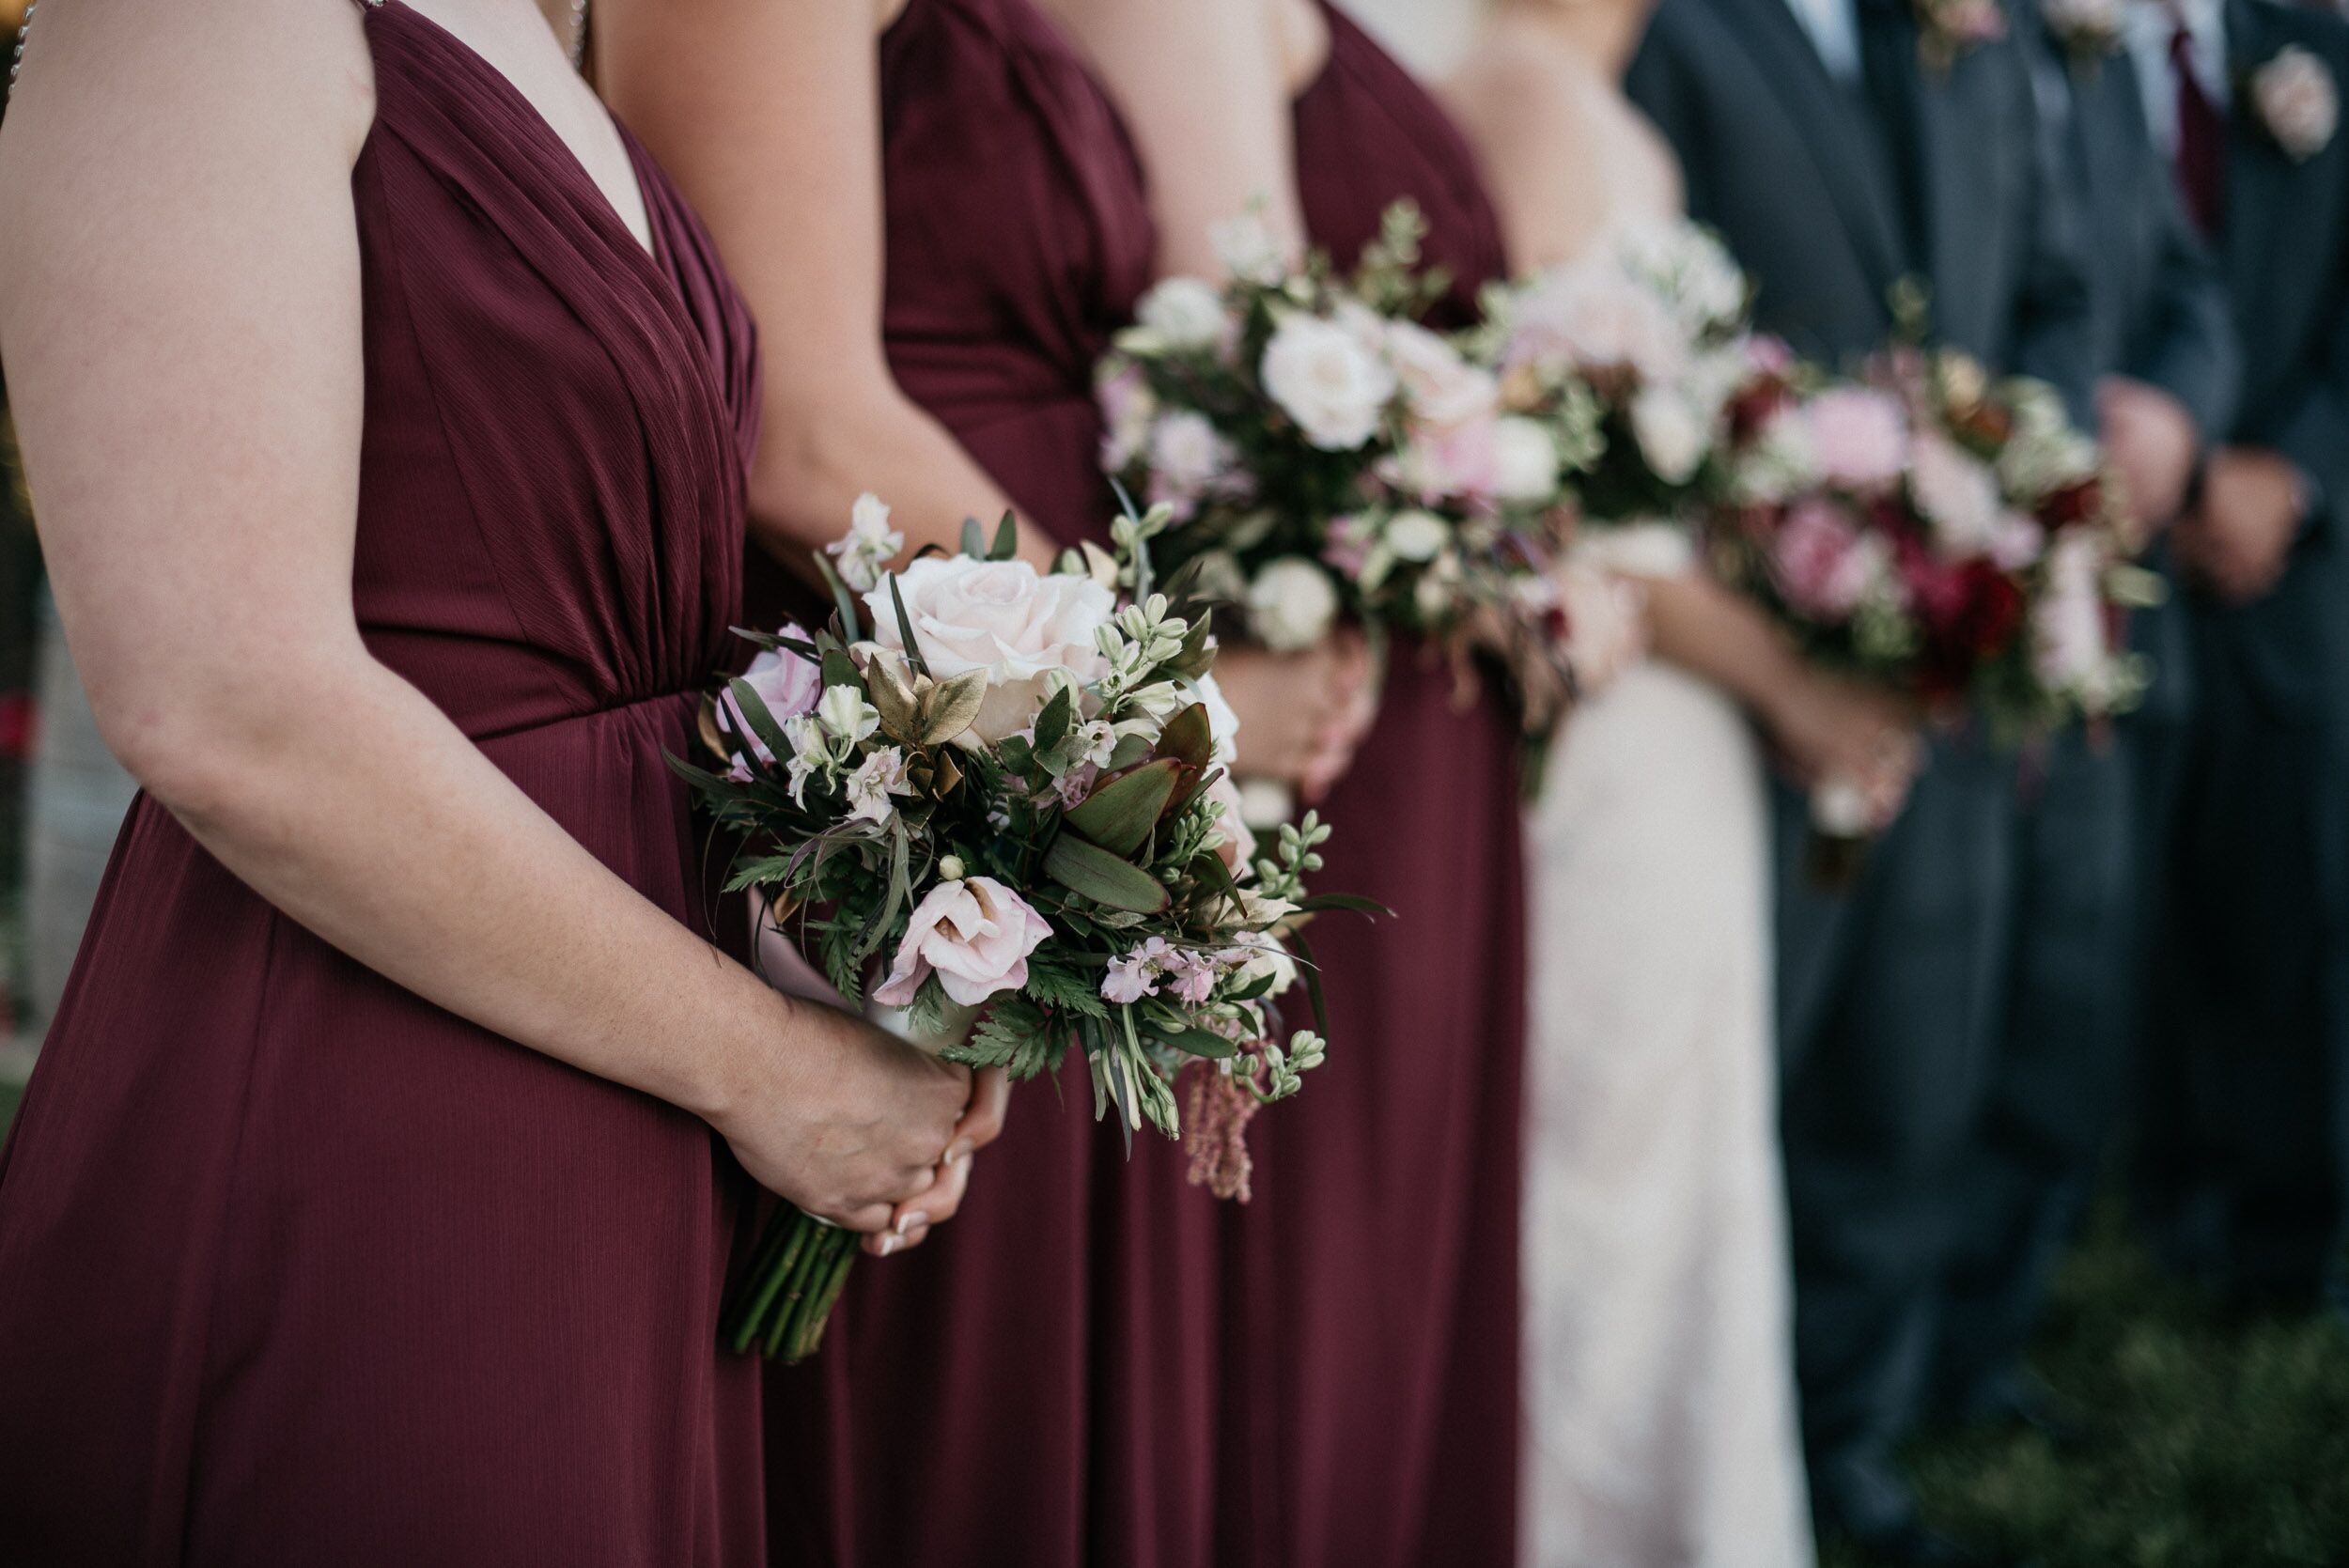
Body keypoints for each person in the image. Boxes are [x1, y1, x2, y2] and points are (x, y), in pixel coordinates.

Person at [0, 0, 994, 1560]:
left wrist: (861, 957)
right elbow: (226, 706)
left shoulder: (531, 26)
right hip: (385, 1093)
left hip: (628, 1065)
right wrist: (773, 1073)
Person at [597, 2, 1377, 1562]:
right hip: (918, 685)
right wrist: (1152, 703)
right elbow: (804, 431)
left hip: (1039, 710)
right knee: (936, 1408)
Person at [1043, 2, 1532, 1560]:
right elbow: (1230, 341)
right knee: (1299, 1249)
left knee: (1387, 1236)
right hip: (1259, 672)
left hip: (1348, 659)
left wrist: (1501, 526)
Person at [1446, 1, 1928, 1562]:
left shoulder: (1621, 122)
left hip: (1677, 728)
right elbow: (1523, 507)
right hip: (1600, 724)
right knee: (1592, 1180)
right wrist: (1785, 670)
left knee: (1683, 1169)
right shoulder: (1518, 99)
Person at [1627, 1, 2095, 1560]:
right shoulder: (1666, 28)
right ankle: (1724, 1435)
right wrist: (1770, 623)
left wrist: (2008, 514)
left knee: (1916, 1063)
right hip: (1729, 667)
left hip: (1942, 659)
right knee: (1751, 1068)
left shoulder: (1973, 34)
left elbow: (2036, 287)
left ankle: (1851, 1435)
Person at [1932, 0, 2240, 1437]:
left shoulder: (2108, 81)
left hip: (2108, 609)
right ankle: (1880, 1361)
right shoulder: (1929, 52)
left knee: (2070, 986)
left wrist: (2174, 419)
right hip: (1954, 593)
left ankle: (1989, 1339)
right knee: (1939, 1005)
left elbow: (2188, 290)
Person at [2131, 0, 2349, 1320]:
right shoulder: (2047, 51)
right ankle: (2153, 1192)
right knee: (2117, 899)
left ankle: (2288, 1231)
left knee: (2294, 893)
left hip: (2292, 558)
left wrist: (2291, 479)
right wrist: (2176, 479)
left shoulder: (2316, 56)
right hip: (2116, 535)